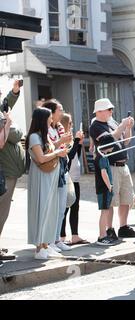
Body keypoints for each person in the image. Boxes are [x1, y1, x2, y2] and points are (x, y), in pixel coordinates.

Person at [89, 98, 135, 240]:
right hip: (110, 165)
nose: (112, 111)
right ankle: (109, 229)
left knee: (127, 197)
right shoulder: (96, 126)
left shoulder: (112, 122)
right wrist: (122, 126)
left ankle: (123, 227)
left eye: (112, 108)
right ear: (99, 111)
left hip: (123, 165)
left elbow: (125, 141)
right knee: (111, 200)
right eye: (109, 109)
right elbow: (109, 141)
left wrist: (128, 127)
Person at [26, 108, 68, 259]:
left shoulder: (43, 136)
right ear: (42, 119)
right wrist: (58, 153)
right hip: (41, 178)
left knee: (49, 210)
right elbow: (41, 158)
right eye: (49, 118)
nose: (52, 120)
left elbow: (49, 150)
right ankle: (39, 247)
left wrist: (61, 145)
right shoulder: (34, 137)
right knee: (42, 209)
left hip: (49, 177)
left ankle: (45, 244)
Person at [42, 100, 73, 253]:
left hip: (62, 167)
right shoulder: (44, 129)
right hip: (52, 168)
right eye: (59, 110)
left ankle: (56, 239)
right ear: (51, 112)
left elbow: (65, 147)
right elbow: (48, 148)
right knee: (52, 207)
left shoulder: (59, 127)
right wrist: (62, 141)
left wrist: (68, 142)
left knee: (61, 207)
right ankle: (48, 242)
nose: (62, 112)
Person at [0, 80, 25, 264]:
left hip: (10, 173)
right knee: (1, 212)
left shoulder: (1, 111)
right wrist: (9, 125)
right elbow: (5, 140)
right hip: (5, 173)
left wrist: (15, 91)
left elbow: (6, 104)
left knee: (4, 212)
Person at [60, 113, 88, 245]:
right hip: (67, 178)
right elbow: (69, 157)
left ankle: (75, 235)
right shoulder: (63, 139)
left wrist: (79, 143)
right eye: (70, 123)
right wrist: (76, 141)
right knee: (65, 208)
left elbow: (75, 154)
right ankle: (62, 237)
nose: (72, 126)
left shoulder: (71, 139)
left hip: (75, 177)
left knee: (75, 206)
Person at [94, 134, 119, 246]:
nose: (113, 147)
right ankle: (102, 236)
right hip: (104, 189)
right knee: (104, 212)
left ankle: (103, 235)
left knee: (105, 211)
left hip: (103, 189)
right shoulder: (102, 157)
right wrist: (110, 186)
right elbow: (104, 173)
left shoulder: (100, 155)